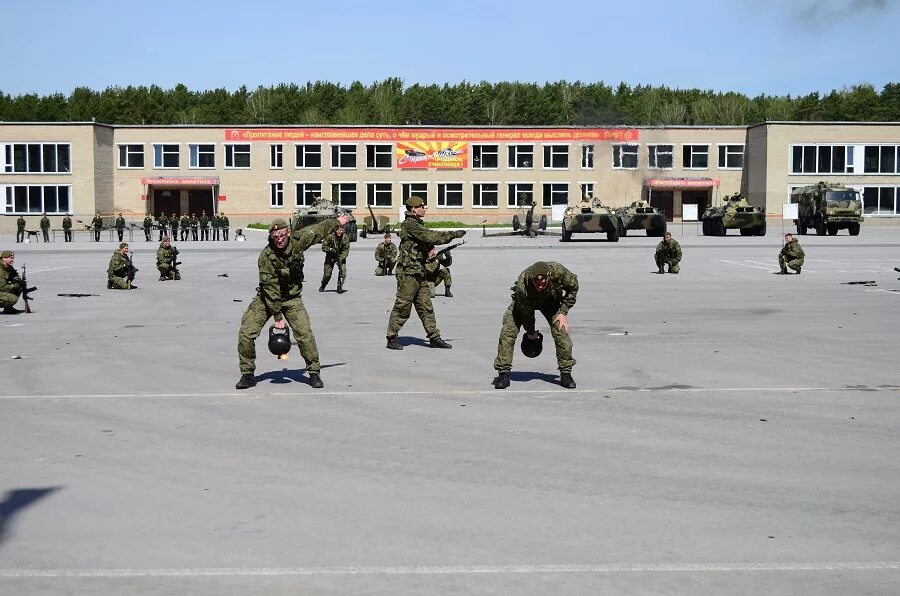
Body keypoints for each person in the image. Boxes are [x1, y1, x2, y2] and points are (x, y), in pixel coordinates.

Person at [235, 214, 350, 390]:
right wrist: (278, 317)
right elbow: (270, 288)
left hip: (292, 297)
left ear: (288, 232)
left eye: (282, 235)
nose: (279, 239)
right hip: (267, 298)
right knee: (246, 332)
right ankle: (247, 374)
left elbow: (319, 230)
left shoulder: (298, 241)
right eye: (275, 237)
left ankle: (314, 373)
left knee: (305, 334)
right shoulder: (266, 256)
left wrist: (338, 222)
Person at [385, 196, 465, 350]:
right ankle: (391, 337)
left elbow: (423, 242)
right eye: (421, 206)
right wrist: (453, 234)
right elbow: (430, 236)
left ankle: (434, 337)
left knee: (426, 306)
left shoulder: (416, 224)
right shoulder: (410, 224)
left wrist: (428, 251)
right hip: (408, 274)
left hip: (419, 272)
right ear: (413, 209)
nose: (424, 208)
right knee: (402, 307)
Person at [493, 261, 578, 390]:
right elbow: (526, 313)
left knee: (561, 332)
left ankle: (566, 373)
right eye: (537, 283)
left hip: (550, 301)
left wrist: (563, 312)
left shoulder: (559, 272)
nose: (540, 286)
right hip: (524, 304)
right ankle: (503, 373)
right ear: (532, 280)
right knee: (507, 333)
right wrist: (531, 332)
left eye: (543, 283)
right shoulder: (523, 285)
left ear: (549, 276)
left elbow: (573, 287)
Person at [320, 225, 350, 293]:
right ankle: (323, 285)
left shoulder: (345, 238)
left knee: (343, 272)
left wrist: (340, 259)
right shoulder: (330, 237)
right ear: (335, 230)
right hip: (330, 256)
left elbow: (346, 251)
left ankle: (339, 287)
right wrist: (330, 249)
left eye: (341, 230)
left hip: (340, 256)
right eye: (338, 230)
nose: (339, 232)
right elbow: (323, 247)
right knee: (327, 274)